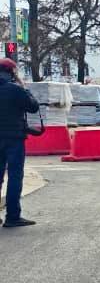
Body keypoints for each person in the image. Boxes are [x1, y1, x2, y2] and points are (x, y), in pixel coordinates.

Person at [0, 57, 40, 228]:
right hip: (14, 138)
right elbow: (33, 107)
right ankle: (13, 216)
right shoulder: (15, 89)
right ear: (12, 73)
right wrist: (25, 88)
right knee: (15, 176)